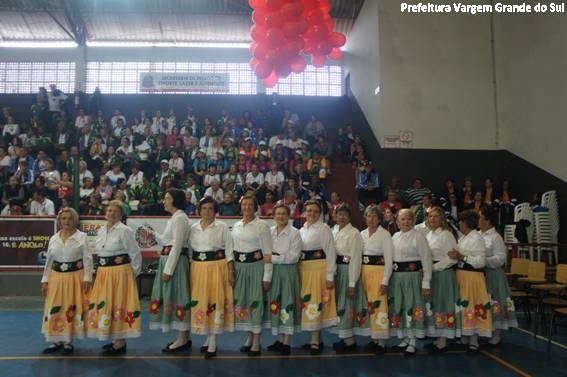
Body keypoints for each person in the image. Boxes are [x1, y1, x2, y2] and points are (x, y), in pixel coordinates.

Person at [88, 200, 142, 355]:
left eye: (115, 211)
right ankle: (113, 338)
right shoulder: (101, 229)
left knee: (119, 304)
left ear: (121, 214)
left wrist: (132, 274)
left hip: (119, 273)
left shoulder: (124, 230)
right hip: (104, 273)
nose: (111, 213)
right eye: (109, 210)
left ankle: (120, 342)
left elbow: (135, 253)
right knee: (107, 304)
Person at [41, 208, 92, 355]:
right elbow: (49, 262)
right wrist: (45, 280)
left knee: (71, 307)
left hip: (75, 278)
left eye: (69, 218)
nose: (67, 221)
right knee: (55, 306)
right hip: (56, 278)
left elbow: (88, 259)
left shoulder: (82, 237)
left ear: (75, 220)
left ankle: (68, 342)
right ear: (59, 221)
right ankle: (56, 340)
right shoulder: (54, 238)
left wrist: (87, 278)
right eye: (63, 218)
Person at [227, 194, 273, 356]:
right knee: (243, 302)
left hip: (256, 268)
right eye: (244, 204)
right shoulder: (236, 225)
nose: (246, 207)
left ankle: (256, 342)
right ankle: (249, 337)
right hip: (240, 268)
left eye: (249, 204)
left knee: (256, 302)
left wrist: (267, 276)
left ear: (255, 207)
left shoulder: (262, 226)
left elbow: (268, 253)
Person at [189, 197, 235, 358]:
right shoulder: (193, 228)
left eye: (210, 209)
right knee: (202, 301)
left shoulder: (222, 227)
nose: (207, 211)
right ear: (199, 210)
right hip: (198, 268)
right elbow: (190, 252)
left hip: (217, 267)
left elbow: (229, 251)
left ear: (215, 211)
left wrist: (230, 272)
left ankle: (213, 340)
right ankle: (207, 337)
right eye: (204, 208)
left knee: (215, 300)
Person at [148, 189, 192, 352]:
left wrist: (168, 270)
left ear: (175, 201)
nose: (163, 201)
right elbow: (168, 241)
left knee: (179, 296)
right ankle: (184, 337)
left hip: (175, 263)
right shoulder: (175, 218)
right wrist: (153, 234)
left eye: (167, 198)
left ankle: (182, 338)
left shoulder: (180, 218)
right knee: (176, 296)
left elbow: (177, 245)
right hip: (171, 260)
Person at [389, 208, 433, 357]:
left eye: (409, 219)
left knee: (413, 305)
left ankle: (413, 341)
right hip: (398, 278)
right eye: (403, 219)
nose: (406, 222)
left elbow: (426, 260)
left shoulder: (419, 236)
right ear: (397, 221)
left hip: (413, 278)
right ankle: (405, 338)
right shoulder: (394, 236)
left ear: (413, 221)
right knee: (400, 306)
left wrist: (426, 282)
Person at [448, 210, 492, 354]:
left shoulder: (477, 238)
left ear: (466, 223)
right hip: (461, 275)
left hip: (472, 277)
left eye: (460, 221)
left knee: (472, 306)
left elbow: (480, 262)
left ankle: (474, 340)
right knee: (464, 306)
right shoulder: (463, 238)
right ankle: (465, 336)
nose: (459, 224)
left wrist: (462, 257)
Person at [298, 199, 338, 354]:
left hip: (318, 270)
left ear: (320, 213)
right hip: (304, 270)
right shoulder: (301, 230)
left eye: (315, 211)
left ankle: (315, 340)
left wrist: (330, 275)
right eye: (309, 210)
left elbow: (330, 252)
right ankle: (317, 339)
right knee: (308, 304)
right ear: (304, 212)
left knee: (315, 303)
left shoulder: (324, 228)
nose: (312, 214)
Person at [264, 203, 302, 355]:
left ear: (289, 216)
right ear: (273, 216)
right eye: (278, 213)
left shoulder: (294, 233)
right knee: (276, 304)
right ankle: (280, 339)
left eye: (284, 214)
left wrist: (273, 258)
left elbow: (294, 257)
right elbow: (265, 253)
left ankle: (287, 342)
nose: (280, 216)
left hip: (288, 273)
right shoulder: (270, 232)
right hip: (274, 272)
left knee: (287, 304)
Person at [331, 204, 368, 353]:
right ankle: (345, 338)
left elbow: (356, 258)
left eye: (345, 215)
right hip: (336, 271)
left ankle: (349, 341)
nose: (341, 217)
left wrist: (352, 282)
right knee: (339, 305)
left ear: (350, 217)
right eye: (339, 214)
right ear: (335, 216)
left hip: (347, 270)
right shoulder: (333, 231)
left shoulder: (354, 233)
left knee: (347, 304)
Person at [479, 206, 517, 346]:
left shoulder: (496, 237)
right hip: (481, 275)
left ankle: (497, 333)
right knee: (484, 303)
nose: (478, 220)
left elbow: (501, 258)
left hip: (493, 274)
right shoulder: (478, 235)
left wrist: (483, 261)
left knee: (496, 302)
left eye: (480, 217)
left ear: (487, 220)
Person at [424, 207, 460, 354]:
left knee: (443, 304)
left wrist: (434, 267)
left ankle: (443, 341)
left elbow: (452, 257)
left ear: (442, 219)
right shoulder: (429, 235)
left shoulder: (446, 235)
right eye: (430, 216)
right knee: (435, 304)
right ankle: (438, 336)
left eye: (436, 217)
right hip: (433, 274)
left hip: (443, 274)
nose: (432, 219)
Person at [360, 205, 394, 355]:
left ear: (379, 219)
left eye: (374, 216)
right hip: (364, 272)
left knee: (379, 305)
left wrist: (385, 280)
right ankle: (374, 338)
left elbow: (389, 259)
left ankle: (381, 343)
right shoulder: (361, 234)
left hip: (379, 272)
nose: (371, 219)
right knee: (368, 306)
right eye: (368, 216)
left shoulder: (385, 234)